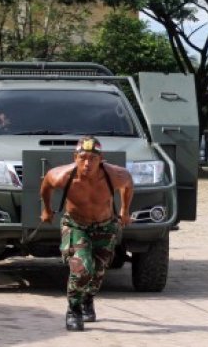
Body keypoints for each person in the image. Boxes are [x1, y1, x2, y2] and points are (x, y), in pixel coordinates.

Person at [40, 136, 134, 331]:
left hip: (105, 225)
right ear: (75, 157)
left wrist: (125, 210)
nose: (87, 163)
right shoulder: (63, 176)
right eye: (83, 157)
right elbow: (46, 184)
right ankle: (73, 310)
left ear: (101, 159)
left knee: (98, 272)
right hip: (76, 225)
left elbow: (128, 183)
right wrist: (47, 210)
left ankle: (87, 299)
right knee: (82, 267)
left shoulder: (115, 175)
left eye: (92, 158)